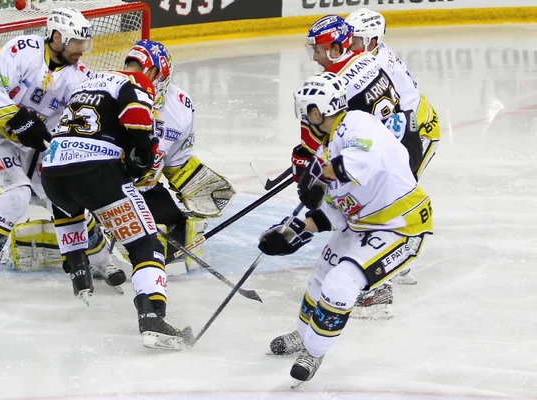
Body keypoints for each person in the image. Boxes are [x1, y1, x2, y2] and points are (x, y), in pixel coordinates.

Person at [260, 72, 433, 385]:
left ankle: (314, 350)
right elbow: (335, 212)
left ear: (315, 113)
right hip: (359, 225)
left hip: (401, 226)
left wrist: (320, 177)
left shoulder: (358, 124)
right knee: (319, 279)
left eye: (304, 114)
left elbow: (357, 162)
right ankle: (304, 335)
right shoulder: (327, 148)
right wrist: (291, 235)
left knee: (341, 283)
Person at [0, 8, 125, 306]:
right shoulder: (22, 50)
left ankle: (102, 262)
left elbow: (79, 121)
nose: (81, 51)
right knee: (15, 198)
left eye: (85, 44)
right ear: (56, 37)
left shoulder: (79, 76)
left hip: (38, 146)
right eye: (75, 43)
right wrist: (18, 118)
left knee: (67, 197)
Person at [39, 42, 194, 350]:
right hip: (97, 173)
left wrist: (75, 254)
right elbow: (137, 118)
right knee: (145, 243)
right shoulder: (138, 80)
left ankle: (79, 267)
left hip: (51, 170)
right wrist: (145, 155)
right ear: (154, 69)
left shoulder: (88, 81)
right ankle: (152, 316)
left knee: (71, 204)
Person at [121, 40, 235, 273]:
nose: (133, 77)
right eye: (129, 68)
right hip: (108, 189)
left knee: (179, 233)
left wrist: (190, 181)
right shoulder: (114, 94)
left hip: (145, 189)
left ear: (159, 74)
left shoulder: (180, 105)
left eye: (141, 71)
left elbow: (175, 159)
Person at [345, 8, 440, 179]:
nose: (347, 46)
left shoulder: (375, 64)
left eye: (354, 41)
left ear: (372, 42)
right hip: (403, 122)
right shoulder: (372, 53)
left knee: (402, 183)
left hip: (421, 128)